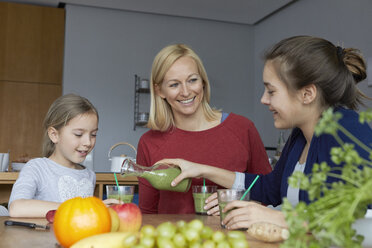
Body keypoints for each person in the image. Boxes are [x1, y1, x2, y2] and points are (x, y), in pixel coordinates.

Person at [159, 36, 372, 229]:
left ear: (307, 94)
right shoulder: (299, 137)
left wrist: (273, 217)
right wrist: (202, 170)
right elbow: (267, 188)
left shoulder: (348, 129)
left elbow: (354, 214)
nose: (264, 99)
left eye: (271, 91)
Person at [137, 44, 272, 214]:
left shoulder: (242, 129)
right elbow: (147, 214)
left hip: (234, 238)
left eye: (192, 80)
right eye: (174, 85)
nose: (186, 92)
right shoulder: (149, 142)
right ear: (159, 91)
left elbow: (269, 193)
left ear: (203, 82)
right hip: (175, 240)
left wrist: (240, 201)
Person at [8, 94, 119, 217]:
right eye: (78, 134)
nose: (88, 142)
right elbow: (16, 208)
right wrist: (83, 207)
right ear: (54, 135)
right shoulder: (37, 168)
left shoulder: (89, 175)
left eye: (93, 134)